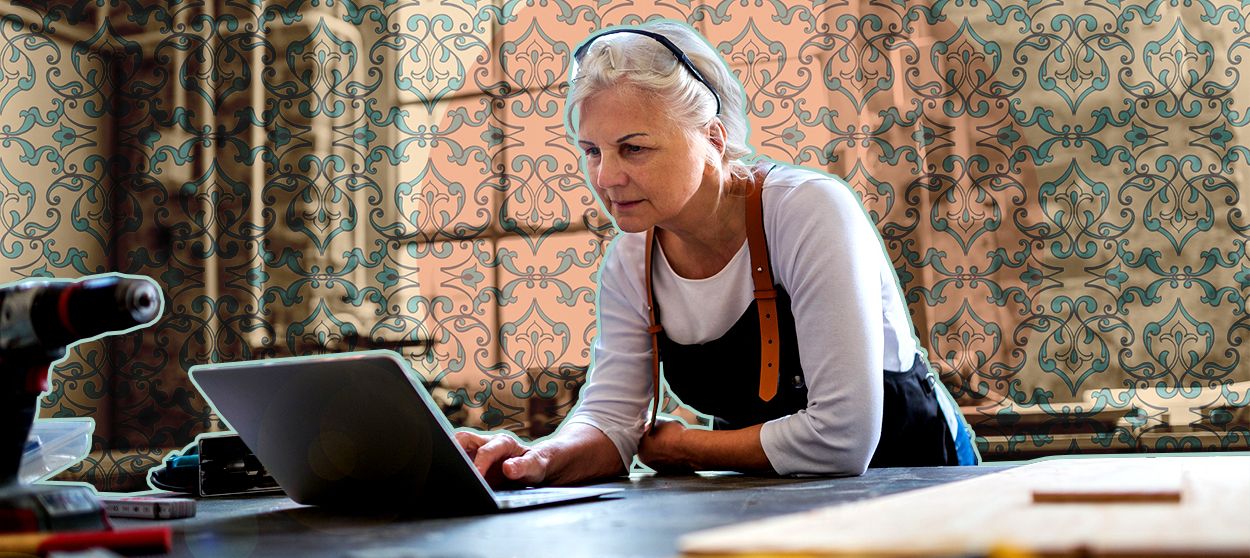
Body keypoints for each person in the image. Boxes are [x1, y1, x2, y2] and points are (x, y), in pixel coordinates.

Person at [455, 20, 978, 487]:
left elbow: (841, 438)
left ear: (713, 135)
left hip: (915, 484)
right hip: (764, 501)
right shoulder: (630, 260)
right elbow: (612, 422)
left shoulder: (808, 210)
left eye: (633, 148)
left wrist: (689, 446)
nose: (606, 178)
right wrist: (538, 458)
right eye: (593, 151)